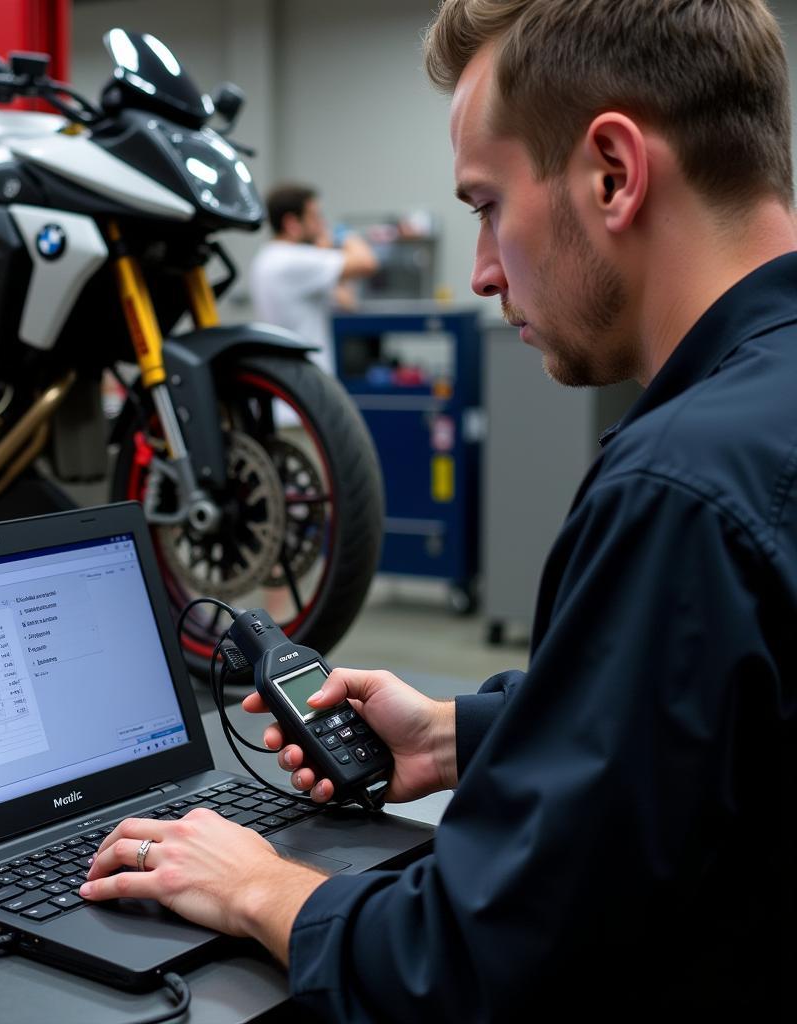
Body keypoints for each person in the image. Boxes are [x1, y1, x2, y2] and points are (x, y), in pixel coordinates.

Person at [79, 2, 797, 1018]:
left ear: (612, 173)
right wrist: (461, 732)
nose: (482, 271)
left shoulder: (679, 490)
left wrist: (257, 886)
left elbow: (478, 969)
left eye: (485, 204)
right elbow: (722, 729)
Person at [249, 183, 378, 375]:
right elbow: (367, 263)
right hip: (304, 380)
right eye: (315, 217)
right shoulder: (291, 259)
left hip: (292, 377)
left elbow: (347, 303)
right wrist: (344, 235)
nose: (321, 224)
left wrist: (324, 251)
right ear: (292, 223)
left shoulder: (269, 257)